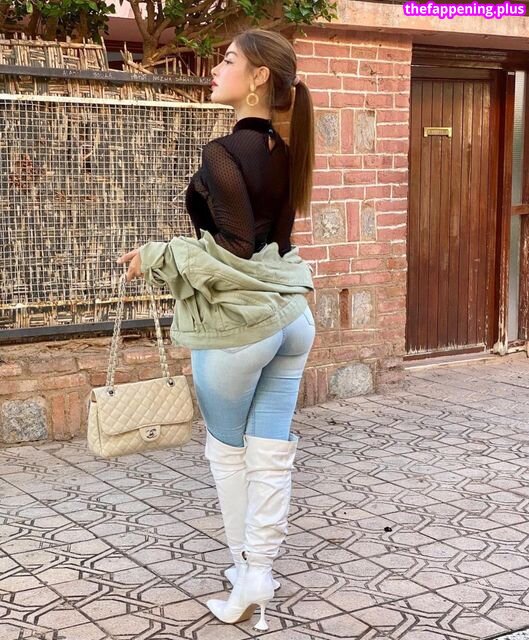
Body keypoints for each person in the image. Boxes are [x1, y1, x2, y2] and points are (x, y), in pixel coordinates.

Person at [117, 28, 316, 631]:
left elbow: (234, 247)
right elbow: (272, 243)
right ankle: (259, 570)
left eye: (227, 59)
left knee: (228, 453)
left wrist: (157, 254)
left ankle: (248, 575)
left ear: (258, 77)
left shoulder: (222, 151)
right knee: (271, 453)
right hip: (292, 319)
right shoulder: (289, 149)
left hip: (238, 328)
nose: (214, 69)